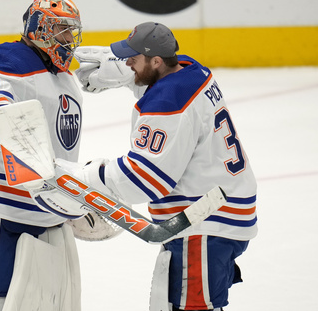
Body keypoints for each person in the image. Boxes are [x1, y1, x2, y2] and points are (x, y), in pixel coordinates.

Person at [71, 22, 258, 311]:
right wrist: (130, 77)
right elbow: (170, 93)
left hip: (203, 225)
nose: (127, 62)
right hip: (220, 213)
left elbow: (144, 179)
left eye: (134, 58)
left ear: (157, 61)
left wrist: (85, 178)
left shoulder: (169, 103)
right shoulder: (194, 71)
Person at [0, 0, 85, 311]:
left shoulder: (65, 77)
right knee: (0, 304)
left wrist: (75, 195)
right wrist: (9, 126)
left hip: (44, 207)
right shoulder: (6, 58)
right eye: (63, 30)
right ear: (41, 29)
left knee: (43, 304)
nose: (70, 39)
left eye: (73, 31)